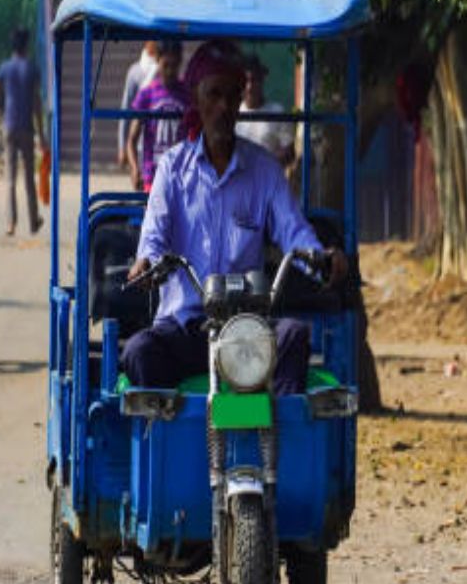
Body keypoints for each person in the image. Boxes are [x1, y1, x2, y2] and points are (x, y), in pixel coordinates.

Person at [122, 39, 348, 396]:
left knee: (293, 336)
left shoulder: (264, 169)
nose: (224, 106)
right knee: (139, 352)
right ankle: (167, 448)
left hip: (247, 332)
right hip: (184, 328)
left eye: (232, 95)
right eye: (214, 95)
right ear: (196, 98)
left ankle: (283, 448)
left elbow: (294, 231)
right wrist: (146, 263)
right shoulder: (173, 168)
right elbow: (153, 235)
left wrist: (319, 257)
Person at [0, 27, 46, 236]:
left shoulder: (5, 67)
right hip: (26, 128)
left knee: (11, 178)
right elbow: (36, 103)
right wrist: (41, 132)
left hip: (9, 126)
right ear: (26, 45)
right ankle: (33, 221)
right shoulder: (31, 68)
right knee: (29, 178)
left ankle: (11, 223)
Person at [125, 40, 190, 193]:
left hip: (182, 177)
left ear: (180, 62)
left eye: (174, 66)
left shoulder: (188, 94)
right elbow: (131, 140)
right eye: (166, 65)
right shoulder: (146, 94)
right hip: (152, 178)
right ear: (157, 61)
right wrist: (135, 169)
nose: (169, 71)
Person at [236, 54, 295, 167]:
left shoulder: (277, 113)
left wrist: (263, 164)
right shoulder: (233, 113)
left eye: (254, 80)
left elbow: (289, 152)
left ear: (262, 81)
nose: (250, 86)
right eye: (246, 81)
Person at [119, 40, 158, 170]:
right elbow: (126, 108)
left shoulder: (166, 69)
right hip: (139, 144)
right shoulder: (135, 71)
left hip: (160, 142)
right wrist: (122, 145)